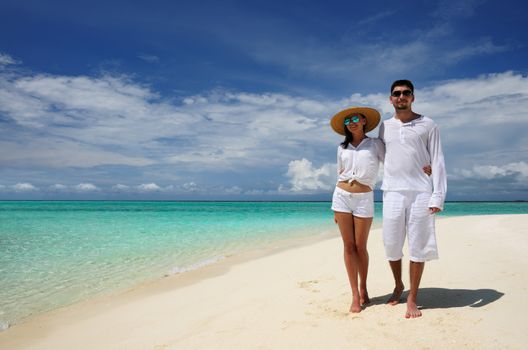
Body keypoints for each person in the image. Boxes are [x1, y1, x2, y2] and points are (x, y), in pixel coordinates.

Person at [379, 79, 447, 318]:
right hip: (392, 192)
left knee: (418, 245)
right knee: (391, 244)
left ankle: (412, 298)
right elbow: (381, 156)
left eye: (406, 93)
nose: (401, 97)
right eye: (397, 93)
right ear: (391, 99)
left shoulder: (428, 124)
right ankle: (398, 284)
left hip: (421, 192)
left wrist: (437, 195)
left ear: (413, 97)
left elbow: (437, 159)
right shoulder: (384, 126)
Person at [330, 106, 384, 313]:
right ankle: (354, 294)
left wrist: (422, 168)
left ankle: (364, 287)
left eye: (355, 118)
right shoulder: (341, 147)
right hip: (341, 197)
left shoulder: (375, 145)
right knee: (348, 246)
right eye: (347, 120)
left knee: (361, 247)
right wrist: (334, 208)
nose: (351, 122)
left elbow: (394, 162)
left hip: (364, 198)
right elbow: (339, 173)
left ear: (363, 121)